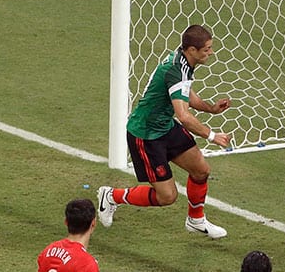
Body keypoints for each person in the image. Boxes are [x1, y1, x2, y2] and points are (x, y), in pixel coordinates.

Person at [97, 24, 232, 239]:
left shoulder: (183, 64)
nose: (211, 52)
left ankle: (196, 220)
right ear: (191, 50)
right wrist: (213, 136)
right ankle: (111, 196)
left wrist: (210, 108)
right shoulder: (175, 70)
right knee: (167, 196)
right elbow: (184, 116)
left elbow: (184, 91)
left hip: (164, 126)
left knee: (201, 170)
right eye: (206, 49)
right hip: (146, 134)